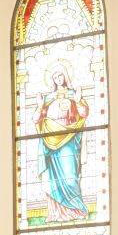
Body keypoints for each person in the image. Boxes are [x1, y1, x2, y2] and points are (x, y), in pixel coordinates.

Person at [35, 63, 89, 222]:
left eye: (60, 75)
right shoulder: (48, 98)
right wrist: (39, 106)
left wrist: (78, 101)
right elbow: (36, 119)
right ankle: (56, 213)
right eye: (55, 77)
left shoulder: (73, 94)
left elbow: (84, 113)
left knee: (70, 177)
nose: (58, 79)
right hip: (51, 140)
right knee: (53, 179)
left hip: (69, 138)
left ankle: (77, 210)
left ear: (65, 76)